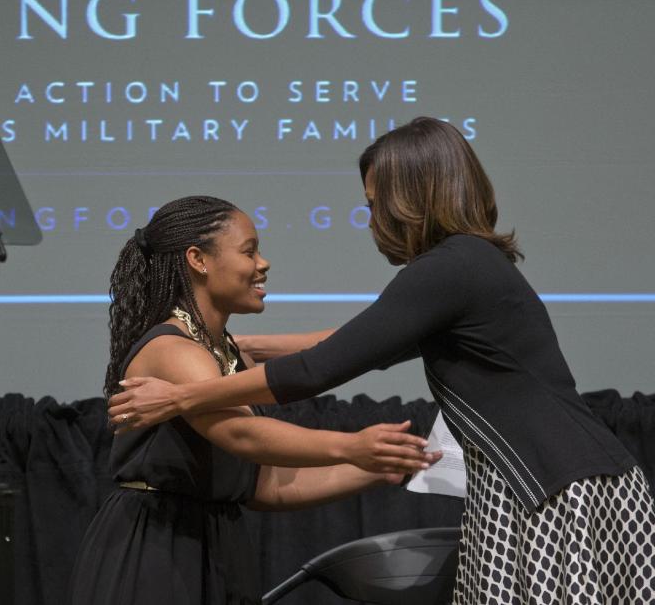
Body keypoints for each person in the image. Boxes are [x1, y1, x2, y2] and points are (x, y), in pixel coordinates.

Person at [108, 119, 655, 603]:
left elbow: (320, 368)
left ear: (409, 197)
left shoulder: (451, 267)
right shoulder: (467, 266)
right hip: (539, 482)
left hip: (551, 487)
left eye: (372, 203)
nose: (370, 219)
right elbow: (360, 339)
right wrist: (249, 348)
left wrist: (181, 396)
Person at [68, 196, 441, 605]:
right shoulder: (175, 351)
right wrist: (353, 445)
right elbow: (244, 435)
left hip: (215, 546)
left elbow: (267, 485)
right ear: (198, 260)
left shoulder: (225, 354)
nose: (263, 263)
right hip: (157, 552)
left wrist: (382, 465)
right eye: (249, 251)